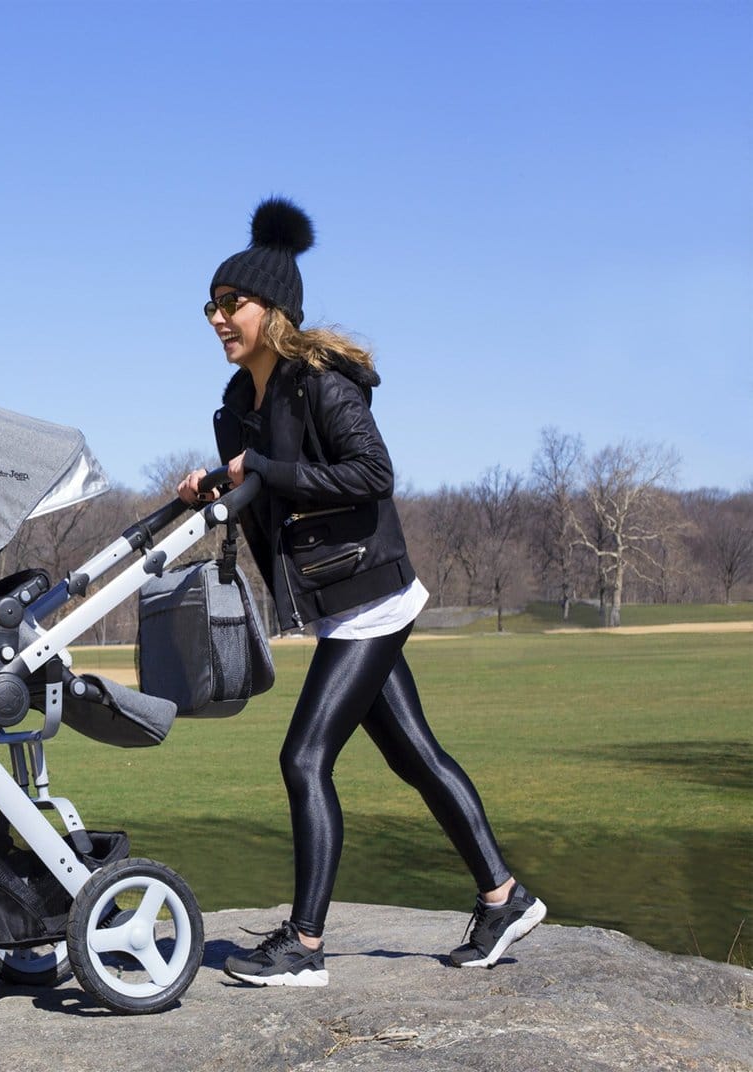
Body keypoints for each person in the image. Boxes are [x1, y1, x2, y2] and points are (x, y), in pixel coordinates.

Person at [177, 197, 545, 987]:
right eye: (208, 305)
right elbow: (259, 488)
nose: (215, 317)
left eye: (228, 302)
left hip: (370, 593)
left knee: (304, 758)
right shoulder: (241, 405)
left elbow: (372, 476)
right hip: (336, 598)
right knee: (416, 755)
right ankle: (504, 895)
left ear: (270, 310)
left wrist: (262, 471)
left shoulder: (321, 385)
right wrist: (212, 485)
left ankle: (305, 947)